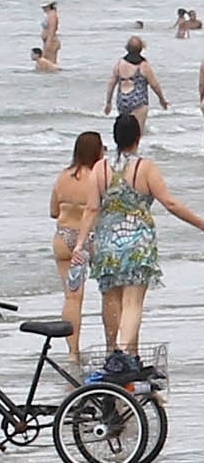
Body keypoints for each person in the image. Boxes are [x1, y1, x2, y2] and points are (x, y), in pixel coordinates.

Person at [80, 113, 204, 352]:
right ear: (138, 137)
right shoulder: (145, 168)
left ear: (114, 138)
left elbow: (92, 208)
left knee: (111, 301)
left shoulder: (99, 168)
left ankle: (114, 354)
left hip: (106, 243)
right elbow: (170, 204)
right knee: (133, 302)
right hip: (138, 243)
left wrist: (80, 244)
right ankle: (124, 352)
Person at [49, 130, 104, 362]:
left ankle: (73, 352)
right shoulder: (98, 177)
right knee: (110, 293)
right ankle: (114, 344)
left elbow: (53, 211)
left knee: (72, 298)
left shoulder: (62, 177)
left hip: (64, 238)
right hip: (90, 238)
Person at [103, 36, 168, 134]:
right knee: (137, 132)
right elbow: (154, 85)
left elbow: (111, 83)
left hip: (122, 100)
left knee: (125, 131)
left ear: (127, 48)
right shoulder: (143, 65)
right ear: (141, 48)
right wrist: (162, 100)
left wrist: (108, 102)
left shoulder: (120, 63)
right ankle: (135, 148)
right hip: (138, 100)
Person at [40, 0, 60, 64]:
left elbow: (52, 30)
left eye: (45, 7)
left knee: (50, 63)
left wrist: (48, 43)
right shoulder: (49, 15)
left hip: (51, 41)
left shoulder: (52, 15)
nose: (43, 8)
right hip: (48, 41)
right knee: (47, 61)